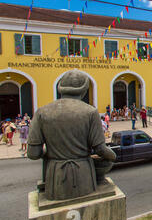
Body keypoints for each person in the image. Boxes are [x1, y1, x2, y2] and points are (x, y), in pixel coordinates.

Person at [27, 69, 116, 201]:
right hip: (84, 177)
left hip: (54, 179)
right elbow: (100, 149)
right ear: (84, 90)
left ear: (60, 89)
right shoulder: (90, 112)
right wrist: (113, 156)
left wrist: (51, 151)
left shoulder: (41, 112)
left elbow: (33, 154)